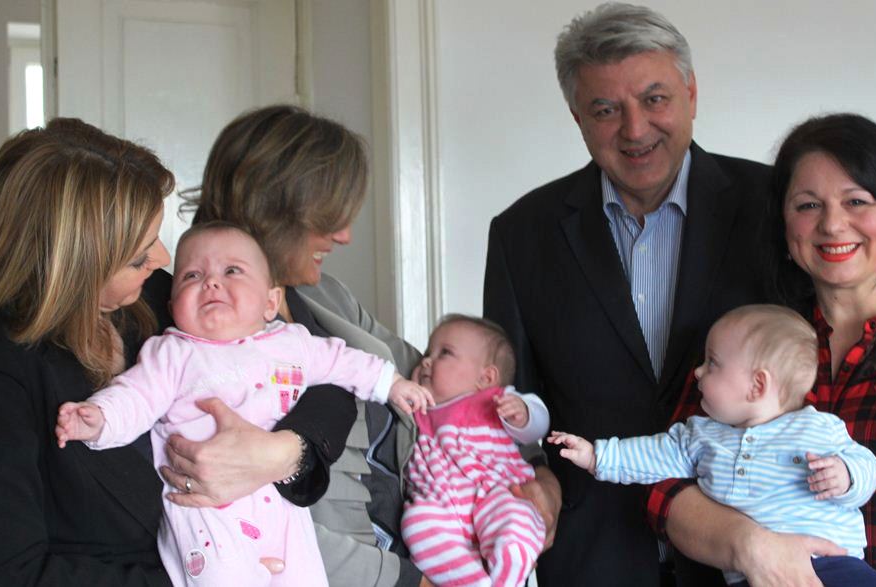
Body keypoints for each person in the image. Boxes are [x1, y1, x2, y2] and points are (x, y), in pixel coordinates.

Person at [0, 118, 352, 585]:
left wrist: (281, 453)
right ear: (74, 266)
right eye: (137, 255)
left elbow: (331, 380)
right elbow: (3, 573)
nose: (164, 259)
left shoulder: (158, 298)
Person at [188, 104, 561, 587]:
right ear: (272, 211)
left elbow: (451, 383)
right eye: (327, 217)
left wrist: (537, 473)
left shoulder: (327, 296)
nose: (343, 235)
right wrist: (414, 583)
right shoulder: (211, 340)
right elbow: (270, 528)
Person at [482, 3, 770, 584]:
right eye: (606, 109)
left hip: (748, 551)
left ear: (691, 93)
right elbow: (507, 403)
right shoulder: (522, 234)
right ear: (577, 118)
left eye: (654, 99)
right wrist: (536, 477)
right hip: (592, 556)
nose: (635, 129)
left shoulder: (773, 206)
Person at [649, 113, 876, 586]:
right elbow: (664, 485)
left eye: (856, 201)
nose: (832, 224)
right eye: (808, 205)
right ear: (785, 227)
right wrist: (750, 547)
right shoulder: (746, 335)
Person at [55, 223, 434, 586]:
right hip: (208, 514)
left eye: (231, 271)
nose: (211, 282)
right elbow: (136, 396)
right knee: (222, 576)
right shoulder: (172, 353)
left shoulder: (292, 343)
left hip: (283, 514)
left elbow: (342, 362)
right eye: (191, 276)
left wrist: (390, 383)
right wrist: (100, 419)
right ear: (172, 305)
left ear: (270, 302)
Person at [550, 304, 876, 587]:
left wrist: (846, 475)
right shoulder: (700, 436)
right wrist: (597, 456)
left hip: (836, 566)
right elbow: (652, 456)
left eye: (712, 363)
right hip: (754, 577)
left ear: (757, 386)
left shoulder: (817, 427)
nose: (698, 372)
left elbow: (867, 466)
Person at [402, 314, 549, 587]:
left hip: (497, 492)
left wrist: (524, 413)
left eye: (444, 353)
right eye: (428, 352)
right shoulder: (417, 406)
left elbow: (538, 426)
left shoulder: (492, 402)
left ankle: (508, 574)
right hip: (439, 504)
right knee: (416, 523)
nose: (426, 361)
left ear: (486, 377)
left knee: (515, 522)